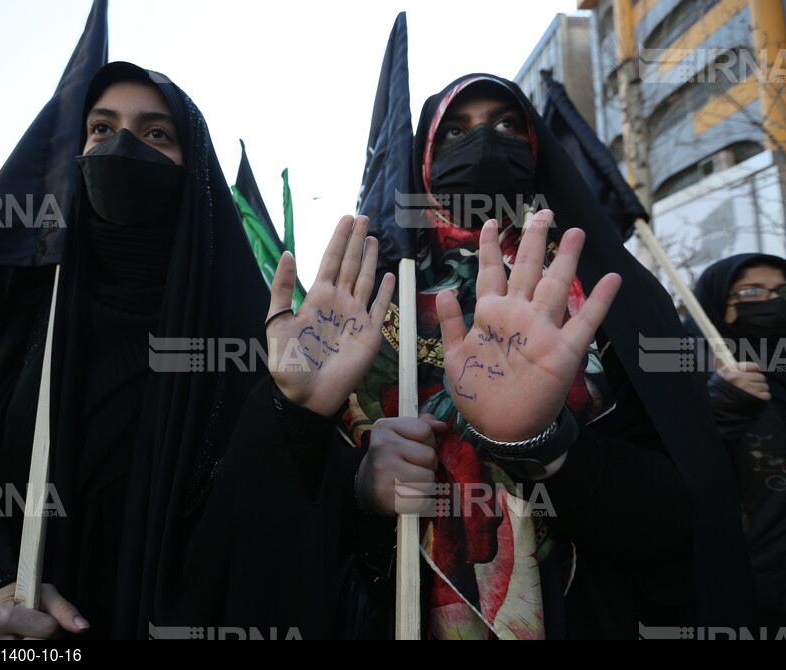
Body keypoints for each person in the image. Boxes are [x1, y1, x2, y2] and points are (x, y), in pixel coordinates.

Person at [0, 61, 386, 640]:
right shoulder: (37, 322)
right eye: (101, 129)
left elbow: (272, 536)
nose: (121, 147)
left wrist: (300, 420)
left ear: (196, 172)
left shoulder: (249, 339)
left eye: (156, 133)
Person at [288, 74, 756, 638]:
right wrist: (362, 488)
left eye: (506, 124)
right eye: (456, 131)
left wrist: (547, 445)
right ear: (423, 158)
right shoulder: (367, 305)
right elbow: (279, 526)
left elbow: (684, 516)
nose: (484, 141)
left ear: (536, 147)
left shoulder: (604, 296)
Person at [692, 253, 786, 628]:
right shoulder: (687, 367)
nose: (772, 301)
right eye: (751, 291)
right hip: (754, 589)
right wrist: (722, 408)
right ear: (717, 303)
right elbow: (675, 475)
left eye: (781, 291)